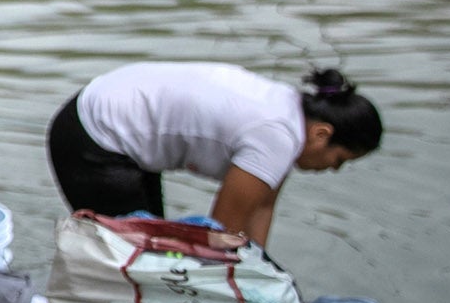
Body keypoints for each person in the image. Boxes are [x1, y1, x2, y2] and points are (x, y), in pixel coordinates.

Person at [47, 63, 381, 247]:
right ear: (322, 135)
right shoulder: (277, 135)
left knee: (151, 247)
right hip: (95, 137)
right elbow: (220, 232)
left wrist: (258, 271)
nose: (332, 170)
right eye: (339, 161)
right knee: (135, 253)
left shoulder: (287, 112)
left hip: (111, 118)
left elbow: (260, 208)